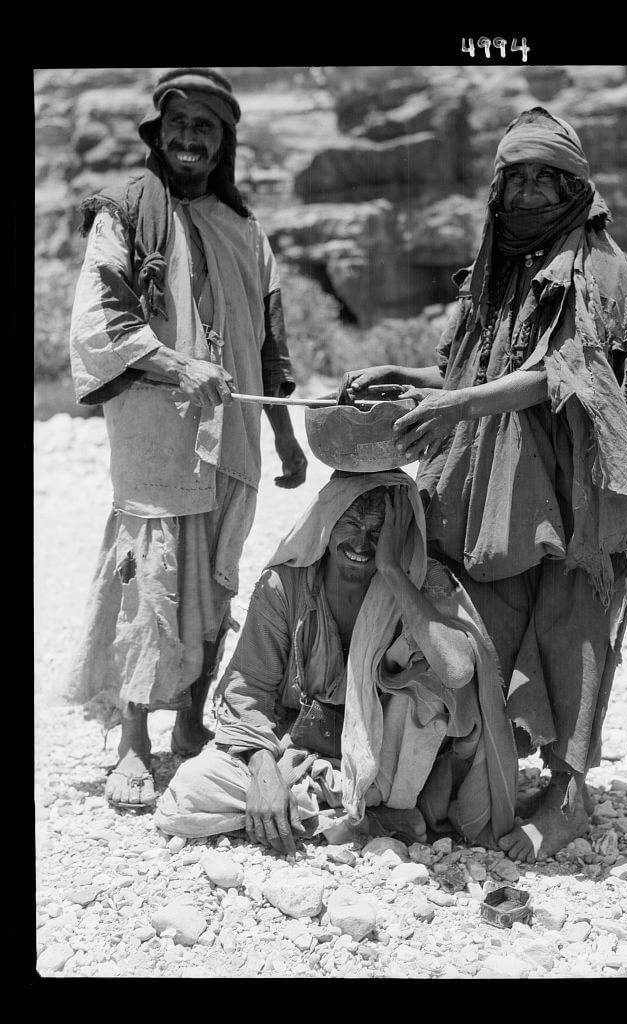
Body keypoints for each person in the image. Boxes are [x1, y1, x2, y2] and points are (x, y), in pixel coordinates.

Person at [343, 107, 627, 862]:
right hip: (505, 479)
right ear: (498, 186)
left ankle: (569, 793)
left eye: (547, 176)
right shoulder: (498, 268)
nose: (530, 190)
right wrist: (409, 378)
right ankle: (493, 761)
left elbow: (567, 373)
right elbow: (478, 369)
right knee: (488, 611)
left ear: (574, 185)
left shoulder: (594, 266)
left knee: (575, 623)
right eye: (517, 175)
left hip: (588, 479)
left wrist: (459, 405)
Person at [64, 68, 308, 811]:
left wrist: (287, 440)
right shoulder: (125, 214)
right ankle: (133, 743)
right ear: (158, 132)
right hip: (154, 433)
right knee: (152, 578)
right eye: (179, 124)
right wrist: (176, 364)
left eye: (206, 127)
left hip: (233, 435)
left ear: (223, 140)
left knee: (215, 578)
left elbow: (267, 346)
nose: (190, 138)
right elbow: (99, 322)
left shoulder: (245, 230)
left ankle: (193, 722)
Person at [154, 471, 518, 852]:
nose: (362, 543)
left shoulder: (417, 581)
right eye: (352, 524)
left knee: (431, 691)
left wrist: (392, 569)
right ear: (328, 522)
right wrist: (263, 772)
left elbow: (457, 671)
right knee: (187, 796)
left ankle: (344, 812)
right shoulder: (285, 585)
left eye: (378, 533)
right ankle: (360, 819)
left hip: (381, 767)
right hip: (295, 750)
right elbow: (250, 689)